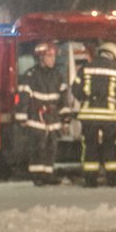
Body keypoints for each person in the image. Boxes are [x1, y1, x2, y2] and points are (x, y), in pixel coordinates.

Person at [73, 41, 116, 188]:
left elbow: (75, 89)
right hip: (109, 116)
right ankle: (113, 180)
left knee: (90, 146)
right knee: (110, 146)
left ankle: (90, 180)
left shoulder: (85, 68)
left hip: (89, 115)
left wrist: (86, 99)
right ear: (113, 55)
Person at [15, 41, 68, 185]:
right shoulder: (31, 75)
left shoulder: (57, 75)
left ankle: (47, 174)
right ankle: (37, 176)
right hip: (36, 118)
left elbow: (63, 99)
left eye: (53, 56)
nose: (53, 59)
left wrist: (66, 118)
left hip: (52, 118)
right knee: (38, 147)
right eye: (49, 56)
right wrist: (22, 117)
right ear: (41, 58)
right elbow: (24, 97)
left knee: (51, 148)